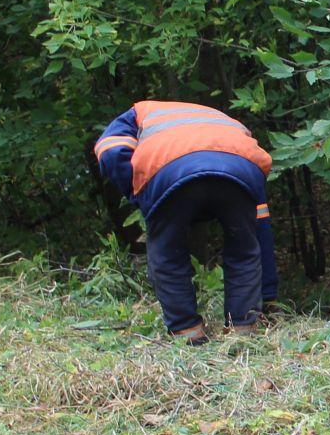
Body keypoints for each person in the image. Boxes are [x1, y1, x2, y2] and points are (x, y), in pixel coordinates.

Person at [93, 100, 278, 343]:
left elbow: (111, 149)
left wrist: (139, 194)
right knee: (244, 249)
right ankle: (243, 332)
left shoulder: (139, 112)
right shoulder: (223, 120)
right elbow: (260, 231)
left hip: (168, 169)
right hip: (242, 168)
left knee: (167, 253)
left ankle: (188, 334)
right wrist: (269, 295)